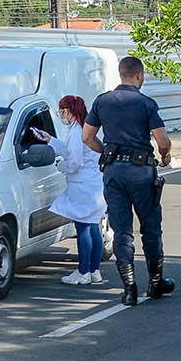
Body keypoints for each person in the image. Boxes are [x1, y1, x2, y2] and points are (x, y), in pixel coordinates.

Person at [83, 56, 173, 307]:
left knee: (122, 231)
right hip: (141, 172)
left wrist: (106, 153)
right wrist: (165, 157)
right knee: (151, 228)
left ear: (120, 74)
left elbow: (87, 137)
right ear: (139, 75)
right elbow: (162, 140)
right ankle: (156, 283)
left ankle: (129, 289)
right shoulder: (146, 104)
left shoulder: (102, 101)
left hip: (113, 172)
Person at [35, 95, 107, 286]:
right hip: (93, 186)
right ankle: (94, 271)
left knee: (83, 228)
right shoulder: (82, 129)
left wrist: (61, 166)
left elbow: (73, 162)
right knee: (93, 227)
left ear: (68, 110)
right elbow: (69, 150)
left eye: (62, 111)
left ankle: (83, 271)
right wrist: (50, 140)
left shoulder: (76, 132)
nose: (61, 115)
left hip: (82, 187)